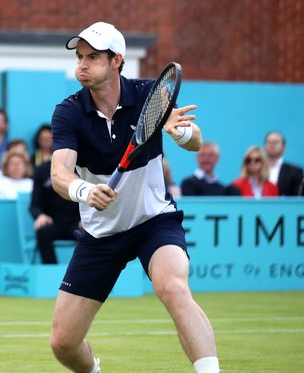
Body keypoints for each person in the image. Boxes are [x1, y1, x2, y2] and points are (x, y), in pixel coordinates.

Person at [50, 22, 221, 373]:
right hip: (101, 235)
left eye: (92, 57)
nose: (81, 65)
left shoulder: (149, 95)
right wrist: (84, 189)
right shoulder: (68, 111)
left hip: (152, 222)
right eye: (79, 57)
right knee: (64, 343)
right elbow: (59, 174)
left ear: (117, 60)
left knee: (173, 287)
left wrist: (181, 131)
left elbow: (197, 140)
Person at [30, 160, 80, 264]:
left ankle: (83, 271)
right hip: (52, 223)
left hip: (77, 224)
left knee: (89, 233)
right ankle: (51, 269)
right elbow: (34, 205)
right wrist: (40, 215)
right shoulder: (42, 170)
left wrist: (87, 218)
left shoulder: (83, 169)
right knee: (42, 232)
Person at [263, 131, 303, 196]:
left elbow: (298, 198)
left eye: (276, 142)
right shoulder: (256, 169)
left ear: (284, 147)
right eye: (269, 142)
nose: (272, 145)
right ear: (264, 146)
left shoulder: (295, 172)